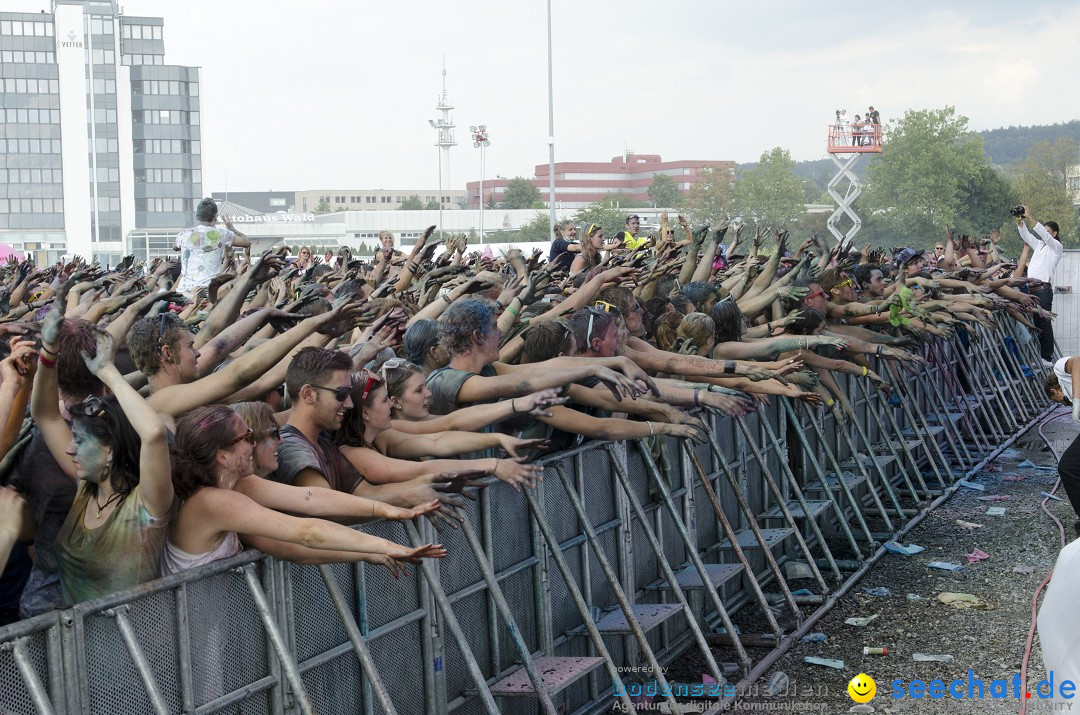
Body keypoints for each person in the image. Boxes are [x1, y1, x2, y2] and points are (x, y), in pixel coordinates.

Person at [164, 405, 443, 576]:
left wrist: (377, 527)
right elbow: (306, 532)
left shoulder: (239, 486)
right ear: (222, 456)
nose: (254, 443)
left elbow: (309, 503)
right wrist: (384, 543)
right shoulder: (212, 502)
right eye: (247, 436)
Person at [30, 317, 175, 605]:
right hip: (82, 644)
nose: (69, 449)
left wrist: (107, 372)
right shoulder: (86, 490)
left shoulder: (146, 507)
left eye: (80, 441)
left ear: (110, 451)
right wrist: (48, 352)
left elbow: (154, 433)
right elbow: (45, 414)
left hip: (130, 645)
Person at [1016, 204, 1063, 364]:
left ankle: (1047, 356)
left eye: (1048, 231)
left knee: (1044, 321)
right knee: (1036, 322)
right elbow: (1027, 236)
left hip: (1043, 290)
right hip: (1032, 289)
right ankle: (1040, 354)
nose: (1046, 234)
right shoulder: (1040, 246)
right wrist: (1020, 220)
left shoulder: (1056, 247)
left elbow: (1045, 236)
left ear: (1055, 234)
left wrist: (1030, 216)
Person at [175, 198, 251, 297]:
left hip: (183, 291)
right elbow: (247, 242)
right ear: (216, 216)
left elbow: (175, 247)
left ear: (198, 216)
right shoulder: (222, 234)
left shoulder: (184, 234)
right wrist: (232, 229)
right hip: (207, 291)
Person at [1045, 357, 1080, 530]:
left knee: (1068, 467)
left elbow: (1078, 362)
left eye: (1057, 400)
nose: (1063, 403)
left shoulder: (1060, 370)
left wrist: (1077, 400)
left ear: (1054, 390)